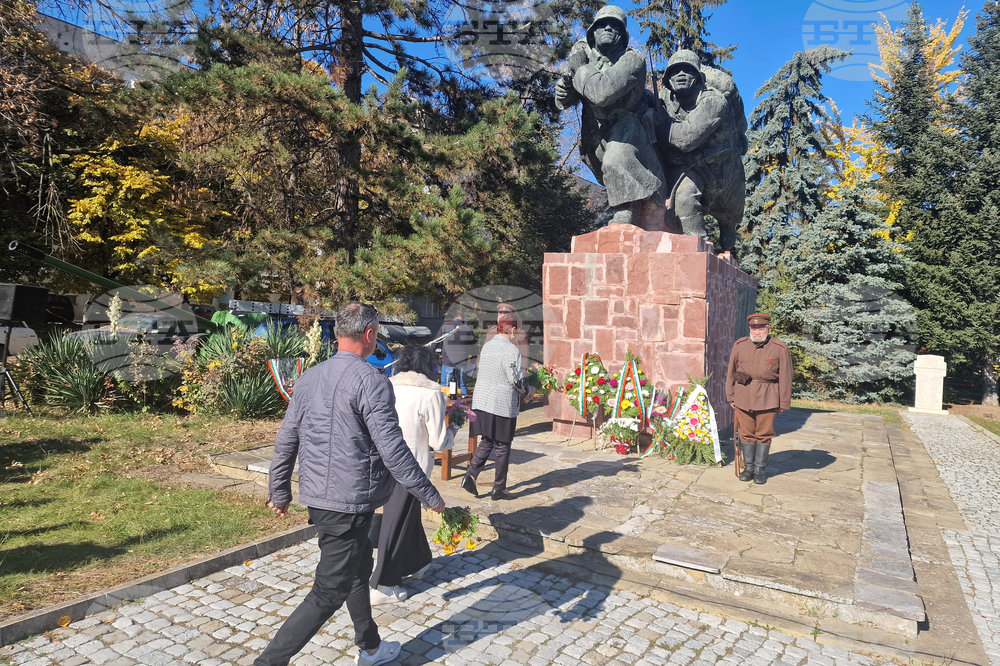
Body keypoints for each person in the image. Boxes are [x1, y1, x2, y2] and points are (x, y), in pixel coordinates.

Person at [257, 301, 446, 666]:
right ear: (371, 334)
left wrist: (279, 489)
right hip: (346, 504)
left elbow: (286, 440)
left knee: (359, 571)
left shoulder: (310, 376)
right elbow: (393, 450)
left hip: (322, 498)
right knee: (327, 592)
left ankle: (371, 648)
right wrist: (429, 494)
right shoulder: (372, 382)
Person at [554, 5, 668, 229]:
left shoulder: (632, 60)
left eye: (615, 25)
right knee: (609, 164)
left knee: (617, 158)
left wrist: (580, 69)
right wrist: (564, 87)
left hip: (628, 127)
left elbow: (602, 93)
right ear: (592, 33)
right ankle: (628, 205)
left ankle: (625, 211)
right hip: (595, 134)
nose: (608, 27)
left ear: (623, 35)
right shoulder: (586, 61)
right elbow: (563, 101)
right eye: (602, 24)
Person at [370, 344, 456, 605]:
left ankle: (419, 562)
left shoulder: (389, 385)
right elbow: (439, 442)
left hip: (382, 461)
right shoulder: (430, 394)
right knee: (395, 522)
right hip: (412, 467)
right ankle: (382, 585)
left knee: (407, 516)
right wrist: (455, 431)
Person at [656, 49, 747, 256]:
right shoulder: (664, 100)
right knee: (684, 198)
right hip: (691, 165)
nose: (680, 75)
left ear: (697, 76)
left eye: (687, 71)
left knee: (728, 220)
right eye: (674, 71)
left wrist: (659, 125)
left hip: (722, 167)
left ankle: (727, 250)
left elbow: (684, 139)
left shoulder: (714, 101)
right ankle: (699, 251)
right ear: (668, 78)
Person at [461, 313, 532, 501]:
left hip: (482, 401)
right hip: (500, 403)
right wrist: (529, 391)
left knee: (488, 440)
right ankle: (499, 488)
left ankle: (471, 474)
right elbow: (516, 381)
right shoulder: (511, 350)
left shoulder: (488, 346)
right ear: (514, 330)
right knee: (502, 445)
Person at [725, 313, 793, 485]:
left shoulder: (779, 348)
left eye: (761, 328)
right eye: (754, 328)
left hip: (768, 396)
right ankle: (748, 468)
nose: (757, 331)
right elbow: (731, 372)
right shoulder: (740, 345)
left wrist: (784, 401)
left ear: (768, 328)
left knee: (764, 434)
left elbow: (785, 376)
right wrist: (730, 394)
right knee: (746, 433)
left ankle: (760, 469)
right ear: (750, 328)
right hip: (743, 395)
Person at [436, 314, 476, 395]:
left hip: (448, 361)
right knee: (462, 385)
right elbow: (473, 346)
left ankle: (446, 405)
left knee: (445, 386)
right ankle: (464, 403)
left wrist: (435, 354)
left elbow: (437, 341)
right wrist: (473, 359)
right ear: (463, 319)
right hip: (462, 361)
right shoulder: (467, 329)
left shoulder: (445, 327)